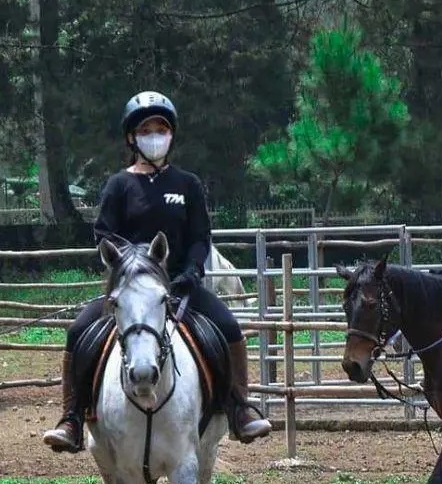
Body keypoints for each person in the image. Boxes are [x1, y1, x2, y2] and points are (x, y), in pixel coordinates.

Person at [43, 90, 271, 452]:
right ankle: (72, 417)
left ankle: (239, 407)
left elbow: (200, 236)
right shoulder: (119, 185)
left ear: (171, 135)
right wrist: (131, 266)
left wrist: (192, 270)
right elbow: (104, 234)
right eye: (146, 130)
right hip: (130, 290)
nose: (154, 136)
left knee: (229, 328)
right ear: (131, 137)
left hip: (181, 287)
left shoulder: (187, 184)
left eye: (161, 129)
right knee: (78, 332)